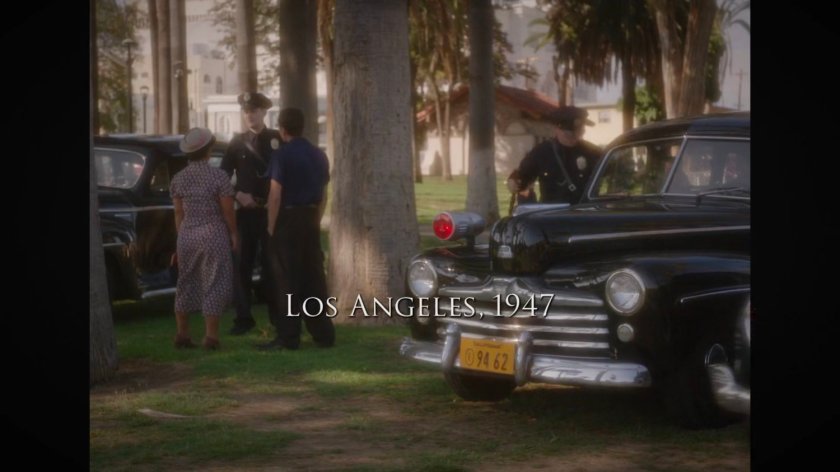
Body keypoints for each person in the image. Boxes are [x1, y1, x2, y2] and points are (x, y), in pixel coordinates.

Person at [258, 107, 335, 351]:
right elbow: (323, 194)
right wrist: (315, 218)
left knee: (285, 279)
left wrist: (271, 227)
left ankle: (288, 335)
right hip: (310, 217)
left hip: (288, 219)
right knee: (313, 276)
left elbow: (276, 195)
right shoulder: (319, 155)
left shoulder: (281, 156)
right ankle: (323, 332)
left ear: (282, 129)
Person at [220, 92, 283, 336]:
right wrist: (237, 194)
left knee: (272, 266)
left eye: (254, 111)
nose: (249, 115)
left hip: (270, 213)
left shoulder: (276, 139)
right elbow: (223, 176)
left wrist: (276, 201)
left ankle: (277, 318)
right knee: (242, 265)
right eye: (246, 111)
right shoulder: (236, 142)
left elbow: (285, 175)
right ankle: (243, 318)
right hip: (246, 214)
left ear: (264, 112)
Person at [170, 128, 238, 350]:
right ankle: (211, 336)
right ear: (208, 151)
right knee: (214, 282)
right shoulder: (219, 177)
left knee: (186, 281)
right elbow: (228, 210)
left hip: (187, 234)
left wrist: (180, 238)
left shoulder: (178, 179)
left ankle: (182, 333)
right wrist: (234, 233)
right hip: (213, 233)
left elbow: (178, 213)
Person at [511, 106, 602, 205]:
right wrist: (514, 182)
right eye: (568, 134)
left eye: (579, 131)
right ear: (557, 129)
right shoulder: (542, 152)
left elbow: (613, 173)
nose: (574, 136)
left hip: (586, 213)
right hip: (553, 215)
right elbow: (522, 179)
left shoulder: (592, 152)